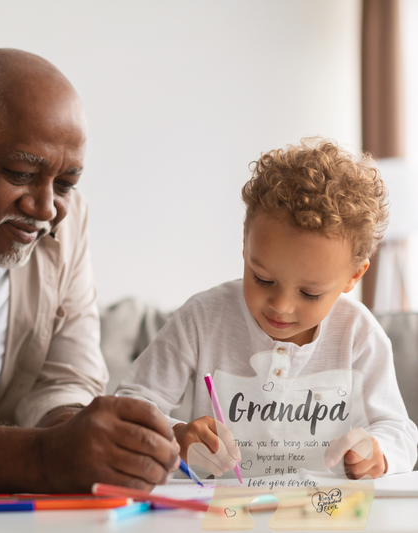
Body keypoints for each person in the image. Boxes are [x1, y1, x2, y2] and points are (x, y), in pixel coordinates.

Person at [0, 48, 179, 495]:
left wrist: (86, 441)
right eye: (20, 172)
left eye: (65, 184)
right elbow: (44, 456)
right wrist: (45, 457)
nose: (45, 208)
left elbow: (65, 378)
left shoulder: (67, 220)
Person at [116, 139, 418, 479]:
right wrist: (176, 436)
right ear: (246, 239)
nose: (281, 306)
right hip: (221, 516)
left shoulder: (358, 334)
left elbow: (399, 430)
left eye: (309, 292)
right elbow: (131, 405)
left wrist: (379, 453)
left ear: (353, 276)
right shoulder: (201, 319)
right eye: (262, 279)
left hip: (322, 514)